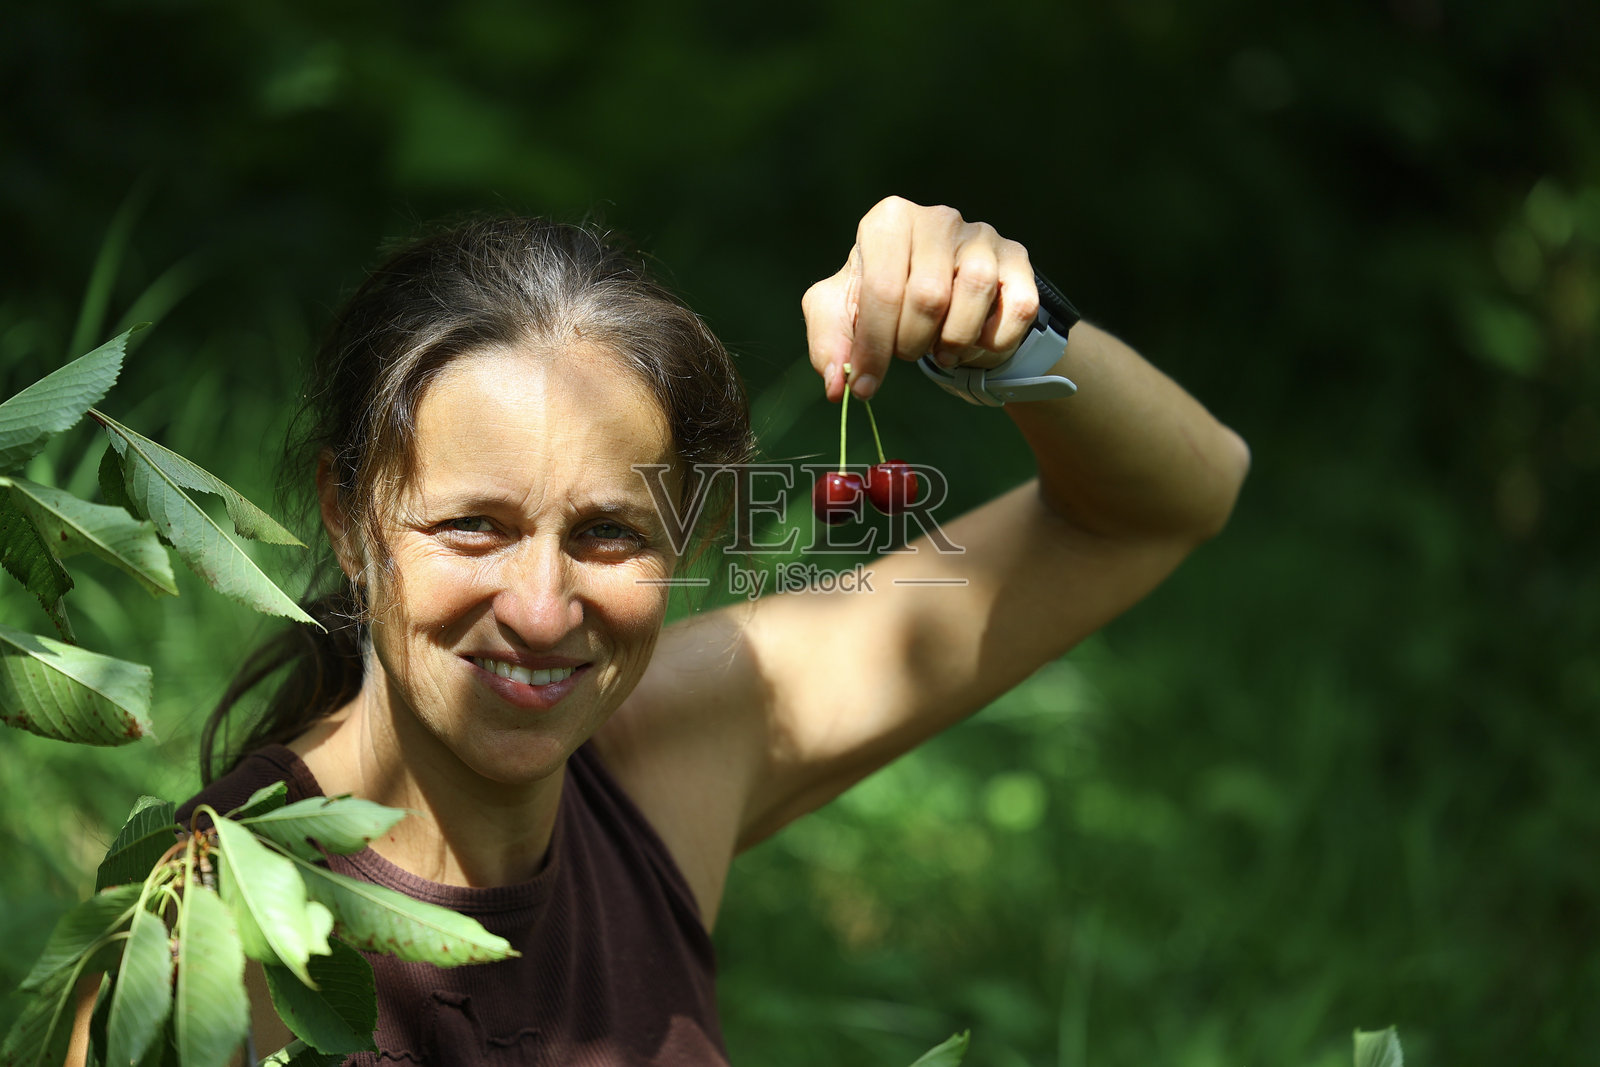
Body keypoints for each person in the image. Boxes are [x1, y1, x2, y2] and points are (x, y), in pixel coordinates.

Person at [95, 197, 1250, 1064]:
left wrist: (1013, 333)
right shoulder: (205, 946)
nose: (542, 609)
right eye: (472, 526)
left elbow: (1166, 501)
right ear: (351, 518)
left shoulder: (664, 753)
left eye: (607, 533)